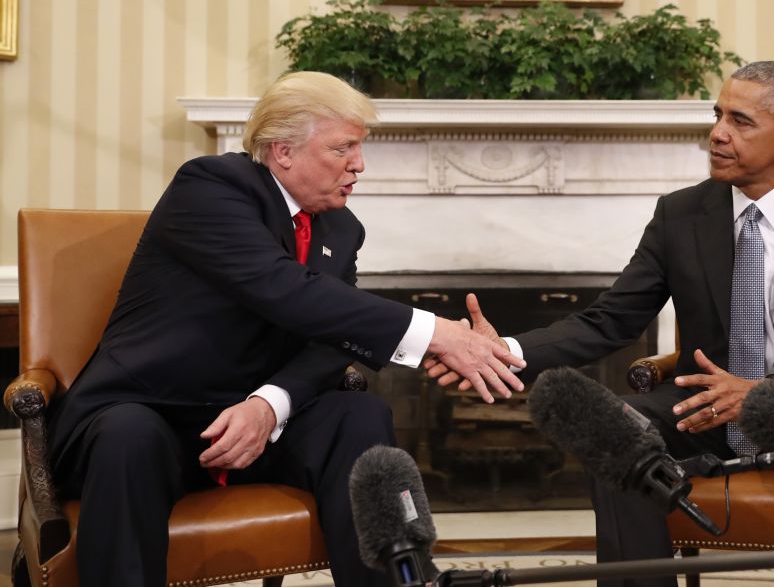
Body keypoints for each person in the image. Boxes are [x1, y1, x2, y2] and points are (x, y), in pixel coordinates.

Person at [429, 61, 774, 587]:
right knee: (615, 425)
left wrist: (763, 394)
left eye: (740, 122)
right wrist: (504, 350)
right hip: (704, 413)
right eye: (718, 115)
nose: (716, 134)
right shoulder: (680, 215)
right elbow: (610, 319)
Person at [46, 71, 525, 587]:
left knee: (359, 414)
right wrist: (437, 334)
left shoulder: (341, 227)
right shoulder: (210, 187)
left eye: (359, 149)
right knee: (128, 434)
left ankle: (397, 581)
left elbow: (330, 335)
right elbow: (285, 290)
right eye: (343, 148)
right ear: (283, 151)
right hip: (151, 412)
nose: (358, 165)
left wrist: (268, 405)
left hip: (255, 425)